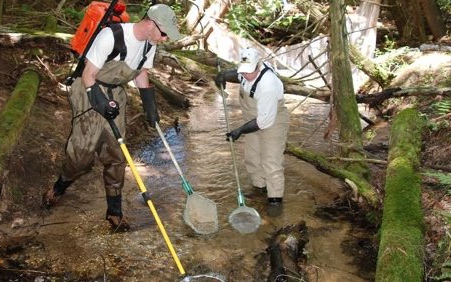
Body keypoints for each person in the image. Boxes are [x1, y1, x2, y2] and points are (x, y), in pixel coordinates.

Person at [42, 4, 183, 232]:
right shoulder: (112, 36)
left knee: (117, 153)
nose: (165, 38)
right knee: (82, 154)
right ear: (150, 23)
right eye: (164, 33)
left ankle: (114, 211)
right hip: (89, 90)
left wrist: (150, 107)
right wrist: (99, 102)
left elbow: (141, 73)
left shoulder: (150, 45)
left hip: (116, 92)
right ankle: (59, 187)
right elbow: (88, 75)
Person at [215, 47, 289, 217]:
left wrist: (240, 130)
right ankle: (259, 189)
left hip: (272, 120)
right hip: (252, 119)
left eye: (250, 72)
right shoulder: (245, 70)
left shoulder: (268, 85)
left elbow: (264, 121)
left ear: (258, 65)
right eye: (244, 71)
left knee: (271, 161)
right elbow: (238, 75)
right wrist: (224, 75)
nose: (246, 75)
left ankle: (275, 200)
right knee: (252, 158)